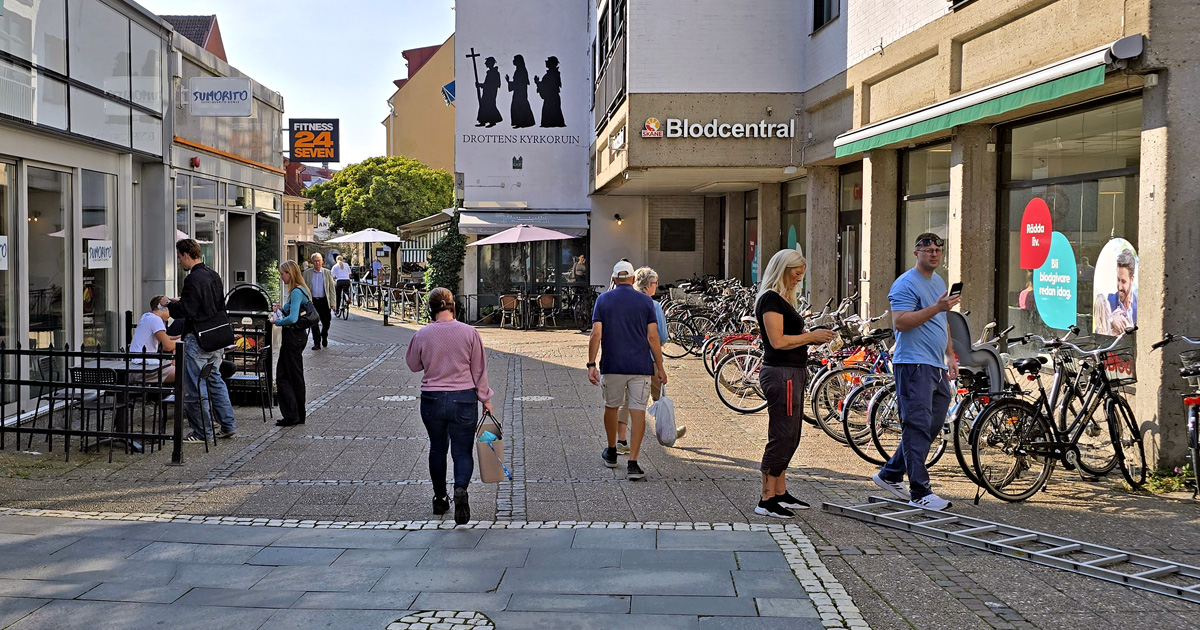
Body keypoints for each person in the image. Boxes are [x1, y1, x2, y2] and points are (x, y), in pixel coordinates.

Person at [872, 233, 960, 511]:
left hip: (935, 364)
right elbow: (900, 322)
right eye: (928, 250)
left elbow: (942, 322)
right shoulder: (905, 283)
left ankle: (890, 474)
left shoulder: (939, 282)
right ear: (916, 253)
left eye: (938, 250)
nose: (934, 254)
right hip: (913, 364)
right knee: (916, 424)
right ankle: (920, 490)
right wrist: (936, 307)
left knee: (931, 425)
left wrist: (950, 354)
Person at [753, 250, 835, 518]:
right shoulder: (771, 300)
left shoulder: (781, 299)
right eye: (796, 271)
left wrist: (810, 338)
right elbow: (777, 341)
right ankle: (766, 499)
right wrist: (810, 336)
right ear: (782, 269)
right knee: (783, 435)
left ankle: (780, 491)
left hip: (791, 371)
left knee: (792, 434)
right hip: (781, 373)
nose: (800, 276)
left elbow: (788, 337)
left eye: (802, 272)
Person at [405, 287, 495, 525]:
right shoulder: (470, 333)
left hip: (432, 399)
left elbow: (413, 365)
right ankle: (461, 489)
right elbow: (479, 369)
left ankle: (440, 498)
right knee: (462, 451)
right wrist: (485, 398)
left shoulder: (423, 334)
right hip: (463, 397)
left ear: (431, 308)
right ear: (453, 305)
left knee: (437, 448)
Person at [588, 260, 667, 481]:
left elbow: (596, 334)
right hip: (640, 366)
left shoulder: (603, 300)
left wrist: (591, 363)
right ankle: (633, 462)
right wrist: (660, 368)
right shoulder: (645, 302)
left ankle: (612, 450)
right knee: (637, 411)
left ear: (613, 279)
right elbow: (653, 337)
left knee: (612, 407)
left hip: (613, 365)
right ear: (633, 280)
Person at [167, 238, 237, 443]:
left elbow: (188, 309)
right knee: (215, 380)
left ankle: (202, 431)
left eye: (180, 257)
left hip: (197, 338)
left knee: (195, 385)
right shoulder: (213, 275)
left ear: (186, 255)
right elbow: (211, 304)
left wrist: (170, 305)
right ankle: (228, 425)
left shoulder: (192, 279)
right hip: (216, 337)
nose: (179, 261)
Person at [616, 267, 686, 451]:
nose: (657, 286)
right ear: (648, 285)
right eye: (655, 283)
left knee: (625, 399)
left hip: (626, 358)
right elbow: (661, 335)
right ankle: (668, 432)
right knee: (660, 396)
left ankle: (621, 440)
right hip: (650, 358)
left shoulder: (624, 302)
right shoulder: (653, 306)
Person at [270, 261, 312, 427]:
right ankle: (296, 414)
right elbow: (294, 312)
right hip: (298, 337)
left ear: (290, 273)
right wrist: (281, 310)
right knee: (291, 374)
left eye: (282, 274)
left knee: (285, 376)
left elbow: (293, 318)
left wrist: (277, 321)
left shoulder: (296, 292)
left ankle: (293, 414)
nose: (281, 277)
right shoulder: (301, 290)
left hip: (293, 337)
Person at [129, 295, 179, 383]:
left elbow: (163, 339)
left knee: (180, 370)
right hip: (144, 368)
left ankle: (172, 396)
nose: (171, 315)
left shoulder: (147, 317)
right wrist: (182, 341)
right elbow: (167, 346)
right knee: (185, 373)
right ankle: (178, 397)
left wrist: (177, 338)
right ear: (163, 307)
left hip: (138, 365)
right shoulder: (156, 320)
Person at [1094, 249, 1138, 335]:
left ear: (1132, 280)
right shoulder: (1108, 301)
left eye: (1123, 281)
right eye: (1118, 280)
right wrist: (1110, 319)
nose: (1120, 286)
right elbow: (1097, 332)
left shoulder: (1139, 305)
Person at [303, 253, 334, 350]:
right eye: (315, 261)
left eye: (319, 261)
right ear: (312, 262)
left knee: (326, 322)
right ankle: (317, 342)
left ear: (322, 262)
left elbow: (332, 289)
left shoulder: (327, 273)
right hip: (313, 301)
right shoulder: (307, 273)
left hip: (324, 300)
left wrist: (333, 303)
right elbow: (304, 287)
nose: (317, 263)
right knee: (314, 323)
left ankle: (324, 335)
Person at [505, 55, 536, 128]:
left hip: (520, 92)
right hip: (519, 92)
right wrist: (509, 82)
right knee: (518, 106)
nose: (513, 61)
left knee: (519, 106)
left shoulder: (521, 70)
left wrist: (510, 83)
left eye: (515, 59)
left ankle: (523, 123)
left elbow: (519, 82)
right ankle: (520, 122)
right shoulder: (519, 70)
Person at [534, 56, 565, 127]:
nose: (546, 63)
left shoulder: (552, 74)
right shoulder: (553, 73)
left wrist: (538, 83)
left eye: (548, 61)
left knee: (551, 112)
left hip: (551, 98)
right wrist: (538, 83)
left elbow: (549, 86)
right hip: (551, 97)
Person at [475, 56, 503, 128]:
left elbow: (492, 84)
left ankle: (492, 121)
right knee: (484, 105)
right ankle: (483, 121)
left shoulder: (494, 73)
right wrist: (481, 85)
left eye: (486, 62)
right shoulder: (490, 72)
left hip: (491, 93)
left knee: (490, 106)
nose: (485, 63)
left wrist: (481, 85)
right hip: (487, 92)